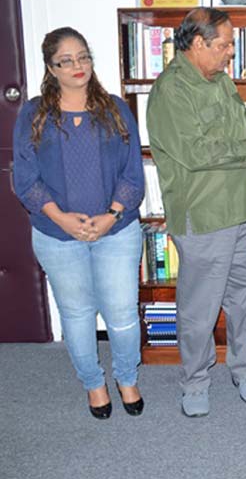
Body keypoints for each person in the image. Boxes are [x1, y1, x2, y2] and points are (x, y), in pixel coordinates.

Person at [146, 7, 246, 417]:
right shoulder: (171, 90)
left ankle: (244, 369)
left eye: (231, 45)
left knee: (245, 297)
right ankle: (195, 381)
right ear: (198, 43)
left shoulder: (220, 81)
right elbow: (194, 151)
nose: (230, 53)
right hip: (203, 216)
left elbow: (230, 121)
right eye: (223, 45)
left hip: (240, 210)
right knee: (199, 306)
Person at [13, 27, 145, 419]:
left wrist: (111, 216)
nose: (77, 66)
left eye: (83, 57)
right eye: (66, 60)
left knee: (122, 312)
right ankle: (94, 384)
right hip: (57, 234)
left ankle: (126, 378)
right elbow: (25, 178)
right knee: (76, 314)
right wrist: (61, 218)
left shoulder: (116, 109)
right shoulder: (33, 113)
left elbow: (132, 174)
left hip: (116, 231)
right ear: (50, 68)